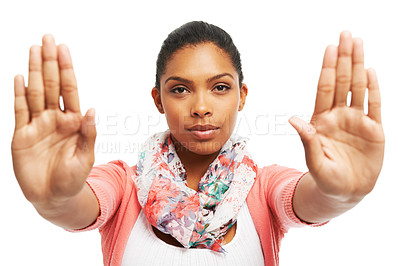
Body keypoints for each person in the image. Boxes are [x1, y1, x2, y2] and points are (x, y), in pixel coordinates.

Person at [11, 21, 385, 266]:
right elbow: (78, 204)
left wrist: (340, 194)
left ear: (241, 96)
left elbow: (310, 199)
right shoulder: (125, 184)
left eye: (220, 87)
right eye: (180, 89)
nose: (202, 107)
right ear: (158, 100)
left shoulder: (263, 186)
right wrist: (54, 198)